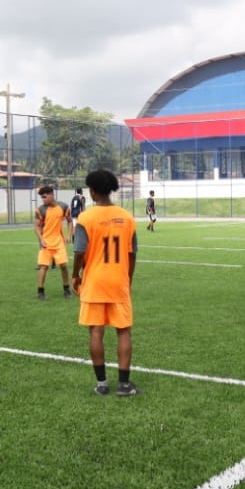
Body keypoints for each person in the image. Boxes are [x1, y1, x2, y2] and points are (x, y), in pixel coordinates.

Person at [72, 169, 138, 396]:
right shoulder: (127, 217)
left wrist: (75, 275)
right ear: (110, 190)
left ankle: (101, 384)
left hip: (94, 282)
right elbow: (132, 253)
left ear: (92, 191)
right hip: (118, 281)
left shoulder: (85, 218)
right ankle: (124, 385)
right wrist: (128, 280)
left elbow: (79, 252)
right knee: (123, 331)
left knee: (96, 332)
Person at [33, 185, 73, 299]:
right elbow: (37, 226)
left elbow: (70, 221)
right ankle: (40, 292)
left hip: (59, 242)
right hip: (46, 243)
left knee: (64, 266)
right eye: (42, 197)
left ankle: (67, 290)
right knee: (43, 267)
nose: (43, 199)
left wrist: (69, 235)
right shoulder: (40, 210)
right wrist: (41, 239)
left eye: (45, 197)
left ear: (51, 194)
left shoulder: (64, 206)